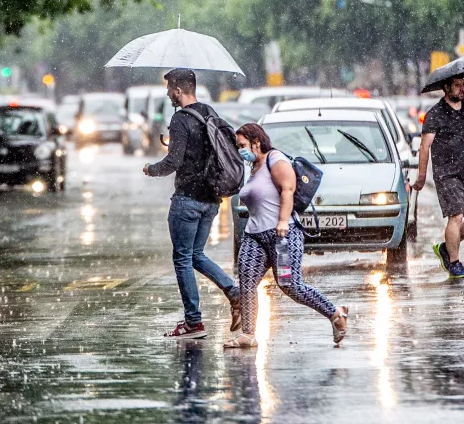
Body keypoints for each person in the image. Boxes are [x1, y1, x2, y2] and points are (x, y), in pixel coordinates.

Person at [224, 124, 347, 348]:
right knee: (247, 283)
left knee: (291, 286)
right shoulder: (252, 167)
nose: (240, 149)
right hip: (255, 234)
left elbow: (287, 189)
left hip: (283, 235)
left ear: (256, 142)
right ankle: (248, 335)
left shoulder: (275, 159)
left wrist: (282, 221)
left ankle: (335, 314)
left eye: (242, 145)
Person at [143, 68, 240, 339]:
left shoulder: (181, 119)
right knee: (195, 255)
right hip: (211, 199)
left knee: (183, 258)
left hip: (187, 199)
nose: (167, 93)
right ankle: (234, 292)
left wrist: (151, 169)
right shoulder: (209, 113)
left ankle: (193, 322)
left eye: (169, 89)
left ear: (178, 89)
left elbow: (173, 163)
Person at [412, 75, 464, 279]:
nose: (462, 90)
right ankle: (454, 262)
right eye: (457, 86)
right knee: (456, 216)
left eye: (463, 86)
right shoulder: (435, 114)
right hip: (447, 174)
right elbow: (424, 146)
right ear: (446, 88)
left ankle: (446, 248)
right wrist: (421, 176)